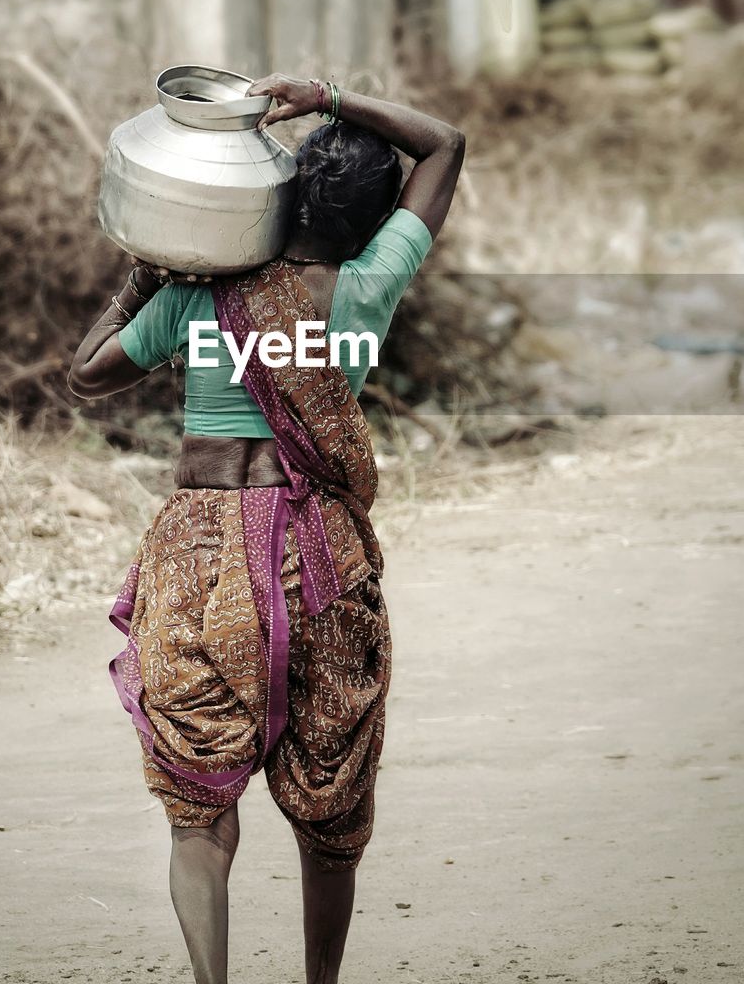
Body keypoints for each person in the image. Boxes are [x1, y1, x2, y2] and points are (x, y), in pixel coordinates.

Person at [68, 74, 465, 984]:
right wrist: (327, 93)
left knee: (197, 793)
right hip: (315, 552)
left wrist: (149, 267)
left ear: (273, 199)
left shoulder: (200, 294)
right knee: (330, 797)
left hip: (201, 551)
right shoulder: (365, 283)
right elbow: (444, 144)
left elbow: (87, 373)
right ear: (374, 223)